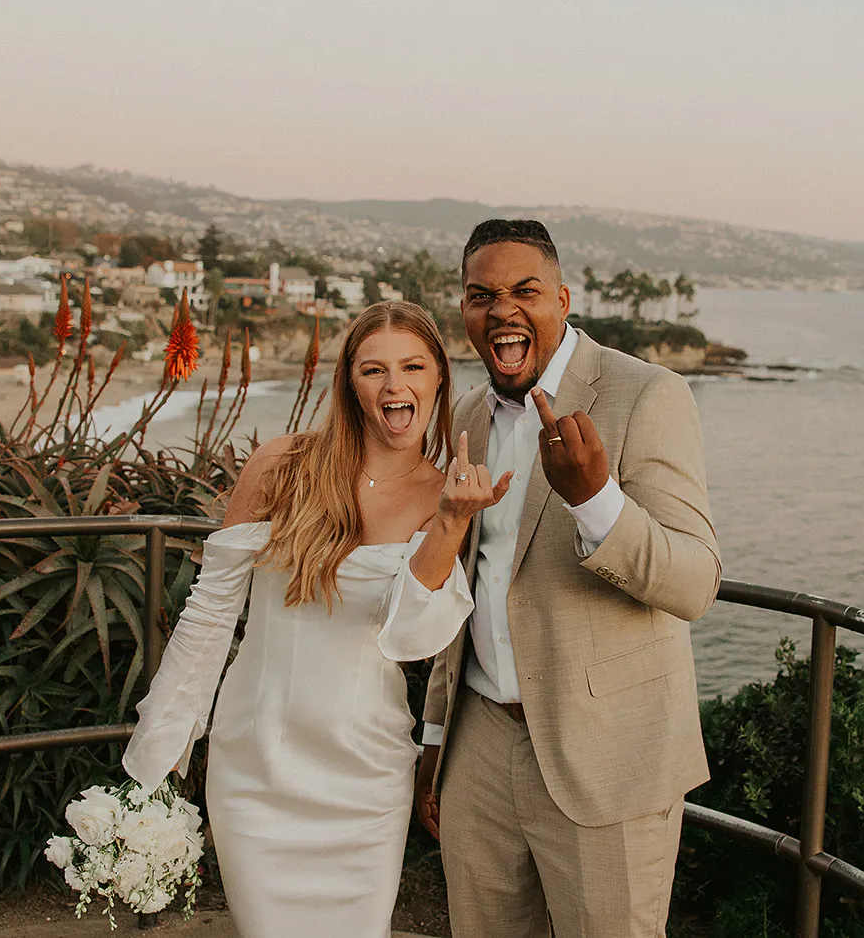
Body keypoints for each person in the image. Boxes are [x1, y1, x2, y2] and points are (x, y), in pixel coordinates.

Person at [123, 300, 511, 937]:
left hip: (365, 772)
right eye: (373, 370)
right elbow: (211, 609)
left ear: (439, 378)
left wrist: (449, 524)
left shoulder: (447, 494)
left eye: (413, 367)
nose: (395, 386)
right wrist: (168, 734)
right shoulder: (280, 466)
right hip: (255, 761)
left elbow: (411, 639)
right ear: (350, 384)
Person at [415, 220, 721, 938]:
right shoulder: (466, 414)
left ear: (563, 297)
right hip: (479, 748)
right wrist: (435, 735)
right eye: (481, 295)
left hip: (607, 759)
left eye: (525, 291)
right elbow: (469, 586)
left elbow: (696, 582)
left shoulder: (646, 394)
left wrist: (596, 500)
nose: (503, 310)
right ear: (464, 310)